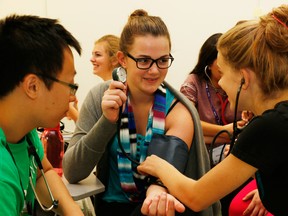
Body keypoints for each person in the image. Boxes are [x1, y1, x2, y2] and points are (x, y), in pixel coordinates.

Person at [63, 9, 219, 216]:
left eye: (163, 60)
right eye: (144, 61)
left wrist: (156, 191)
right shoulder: (101, 96)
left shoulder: (178, 110)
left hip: (159, 208)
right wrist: (107, 121)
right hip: (111, 208)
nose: (154, 70)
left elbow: (161, 176)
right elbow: (73, 172)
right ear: (122, 59)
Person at [138, 4, 288, 216]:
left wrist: (158, 166)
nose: (222, 83)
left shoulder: (267, 127)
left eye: (224, 74)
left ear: (244, 79)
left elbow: (196, 197)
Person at [0, 14, 84, 215]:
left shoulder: (22, 130)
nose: (73, 97)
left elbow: (42, 172)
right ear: (33, 86)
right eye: (71, 86)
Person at [180, 33, 255, 215]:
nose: (225, 70)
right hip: (204, 149)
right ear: (208, 62)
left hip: (233, 149)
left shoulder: (238, 83)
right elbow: (186, 120)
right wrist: (223, 130)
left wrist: (247, 119)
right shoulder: (194, 83)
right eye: (220, 65)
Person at [65, 34, 120, 123]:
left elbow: (98, 133)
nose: (91, 59)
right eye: (92, 55)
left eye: (98, 55)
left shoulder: (114, 93)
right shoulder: (102, 91)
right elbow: (90, 132)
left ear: (114, 60)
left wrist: (70, 110)